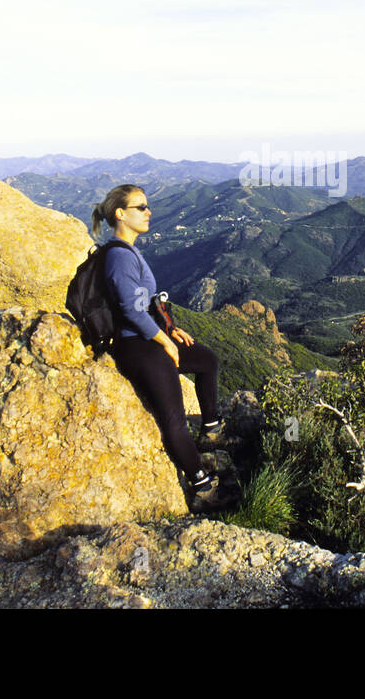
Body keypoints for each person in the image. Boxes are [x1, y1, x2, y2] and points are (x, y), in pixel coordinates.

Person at [91, 183, 227, 504]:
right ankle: (202, 485)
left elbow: (147, 302)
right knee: (174, 420)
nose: (149, 212)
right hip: (136, 347)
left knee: (206, 360)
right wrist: (163, 340)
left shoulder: (129, 250)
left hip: (148, 338)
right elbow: (130, 309)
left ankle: (210, 429)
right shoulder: (119, 257)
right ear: (120, 214)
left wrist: (171, 329)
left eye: (148, 206)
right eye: (141, 207)